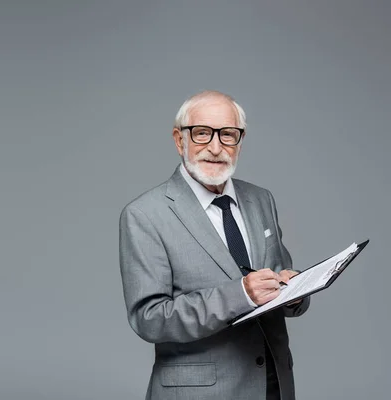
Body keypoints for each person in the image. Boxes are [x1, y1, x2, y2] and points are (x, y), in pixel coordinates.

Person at [118, 90, 310, 400]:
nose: (216, 147)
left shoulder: (261, 199)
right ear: (180, 140)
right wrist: (241, 294)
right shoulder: (144, 215)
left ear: (240, 141)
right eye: (203, 133)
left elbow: (276, 274)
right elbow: (149, 319)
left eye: (228, 135)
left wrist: (292, 291)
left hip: (274, 384)